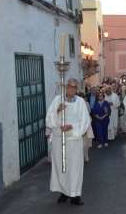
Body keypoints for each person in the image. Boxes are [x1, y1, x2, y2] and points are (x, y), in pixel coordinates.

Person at [46, 78, 91, 206]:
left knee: (75, 168)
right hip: (59, 140)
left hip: (74, 140)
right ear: (66, 87)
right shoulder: (57, 100)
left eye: (74, 87)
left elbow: (85, 121)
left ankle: (75, 195)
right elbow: (48, 119)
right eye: (70, 86)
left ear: (77, 89)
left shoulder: (81, 102)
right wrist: (58, 111)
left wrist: (71, 127)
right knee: (62, 167)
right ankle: (64, 192)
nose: (72, 89)